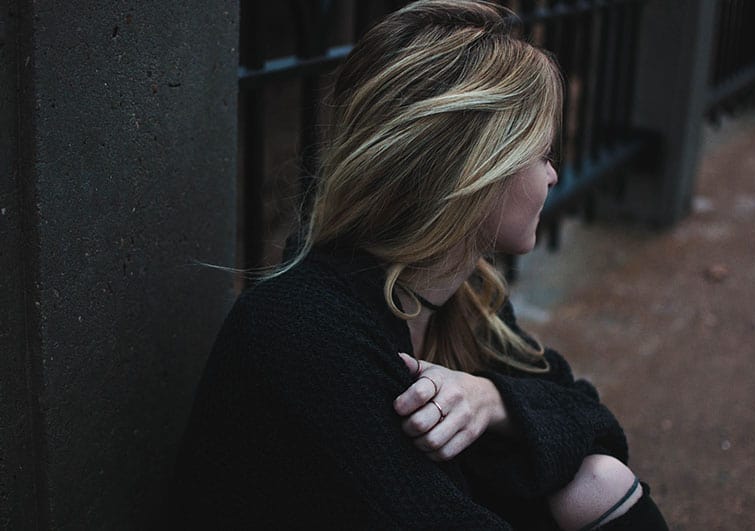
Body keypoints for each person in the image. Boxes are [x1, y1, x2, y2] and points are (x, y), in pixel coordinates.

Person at [170, 1, 669, 529]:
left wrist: (493, 400)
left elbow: (598, 427)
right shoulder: (301, 331)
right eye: (542, 153)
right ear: (476, 168)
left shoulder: (460, 292)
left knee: (598, 481)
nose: (551, 176)